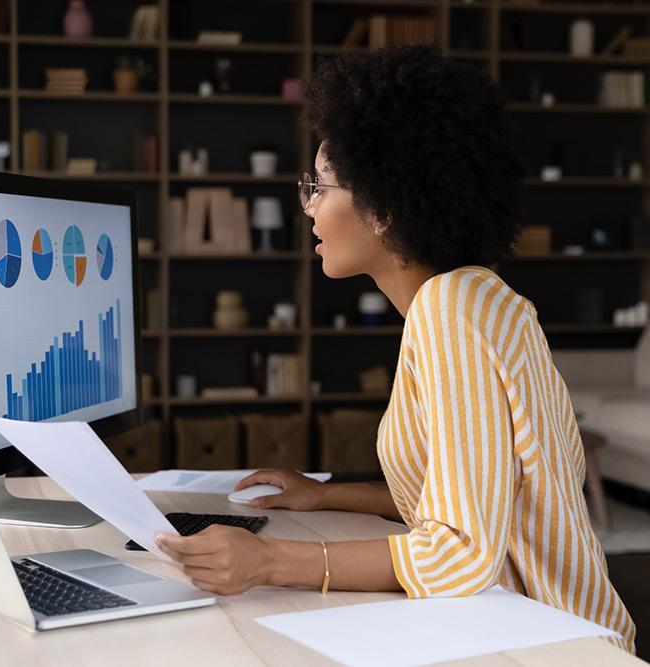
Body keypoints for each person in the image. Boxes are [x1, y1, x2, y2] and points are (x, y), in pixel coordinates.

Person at [154, 44, 636, 653]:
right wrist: (325, 496)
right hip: (526, 626)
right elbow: (477, 495)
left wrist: (268, 560)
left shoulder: (447, 313)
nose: (306, 206)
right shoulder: (476, 298)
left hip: (552, 646)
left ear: (381, 208)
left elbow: (460, 554)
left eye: (318, 186)